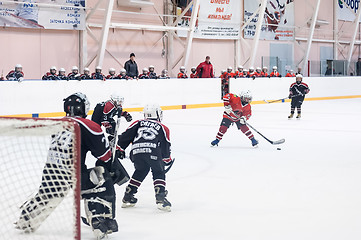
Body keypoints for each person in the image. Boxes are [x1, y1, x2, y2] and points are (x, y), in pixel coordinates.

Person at [15, 92, 127, 239]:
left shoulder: (58, 123)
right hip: (73, 173)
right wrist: (111, 165)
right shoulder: (89, 125)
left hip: (50, 171)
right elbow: (104, 156)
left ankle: (27, 218)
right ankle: (99, 220)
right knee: (101, 179)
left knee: (50, 193)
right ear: (85, 108)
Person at [116, 104, 173, 212]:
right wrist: (166, 159)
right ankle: (160, 197)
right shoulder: (163, 127)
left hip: (137, 152)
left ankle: (128, 196)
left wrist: (120, 148)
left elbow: (126, 135)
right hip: (153, 151)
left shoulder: (138, 123)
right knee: (159, 171)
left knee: (141, 170)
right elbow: (166, 144)